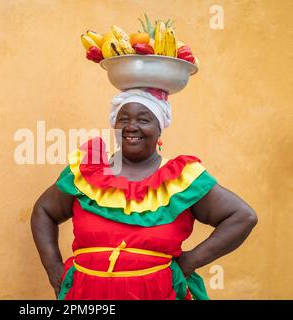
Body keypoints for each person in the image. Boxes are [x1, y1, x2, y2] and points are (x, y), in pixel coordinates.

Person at [31, 88, 258, 300]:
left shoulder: (180, 179)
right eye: (124, 119)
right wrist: (53, 268)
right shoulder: (87, 173)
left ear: (159, 128)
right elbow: (44, 211)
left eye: (143, 119)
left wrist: (191, 261)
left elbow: (242, 217)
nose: (131, 126)